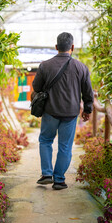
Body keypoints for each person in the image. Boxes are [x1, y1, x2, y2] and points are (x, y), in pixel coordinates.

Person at [32, 32, 94, 190]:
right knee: (65, 146)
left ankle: (46, 174)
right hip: (71, 114)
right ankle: (59, 180)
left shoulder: (45, 65)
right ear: (72, 47)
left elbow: (37, 88)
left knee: (45, 141)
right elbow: (88, 93)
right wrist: (87, 109)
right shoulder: (81, 67)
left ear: (56, 47)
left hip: (50, 112)